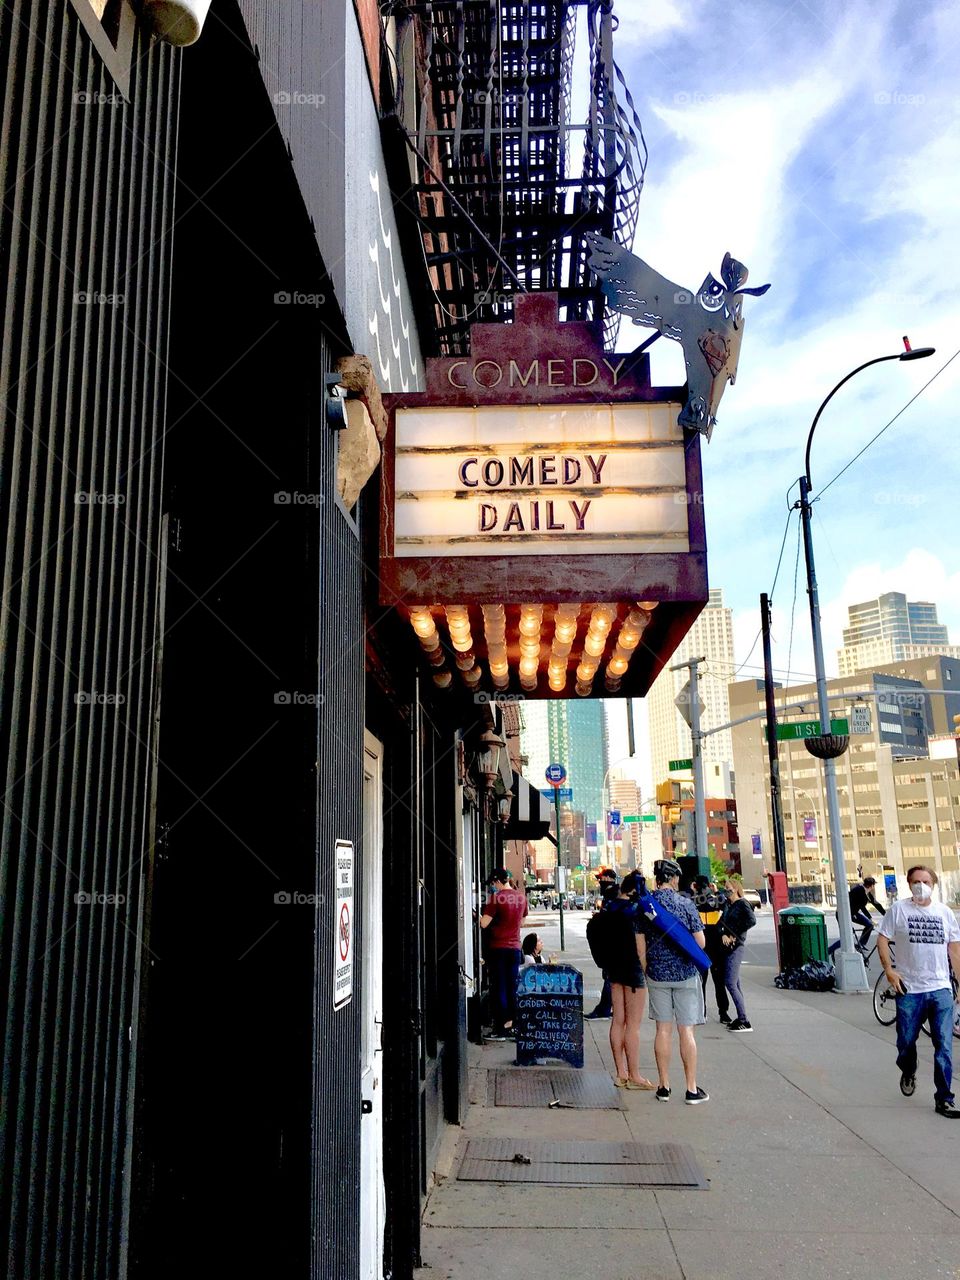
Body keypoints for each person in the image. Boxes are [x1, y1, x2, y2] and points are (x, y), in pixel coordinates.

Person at [877, 865, 960, 1118]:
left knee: (944, 1045)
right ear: (909, 884)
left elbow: (954, 950)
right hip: (909, 989)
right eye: (916, 881)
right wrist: (889, 970)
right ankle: (908, 1069)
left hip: (940, 988)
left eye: (926, 881)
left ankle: (944, 1098)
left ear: (933, 884)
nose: (921, 886)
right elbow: (882, 938)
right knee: (905, 1041)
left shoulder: (945, 913)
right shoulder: (899, 910)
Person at [640, 858, 709, 1104]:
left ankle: (664, 1086)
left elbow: (640, 946)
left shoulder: (645, 905)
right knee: (686, 1030)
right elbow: (700, 943)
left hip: (657, 974)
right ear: (673, 878)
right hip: (685, 975)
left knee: (662, 1030)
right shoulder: (686, 904)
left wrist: (648, 969)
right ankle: (691, 1089)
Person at [604, 871, 656, 1090]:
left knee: (618, 1020)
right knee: (633, 1025)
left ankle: (621, 1073)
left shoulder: (609, 906)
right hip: (633, 968)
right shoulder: (636, 910)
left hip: (614, 967)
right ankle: (635, 1075)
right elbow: (642, 942)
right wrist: (647, 970)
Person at [479, 868, 527, 1041]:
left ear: (497, 881)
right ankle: (512, 1023)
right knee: (511, 986)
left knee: (499, 987)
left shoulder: (496, 898)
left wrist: (477, 916)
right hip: (515, 948)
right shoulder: (521, 897)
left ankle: (501, 1028)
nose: (493, 886)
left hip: (498, 948)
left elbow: (484, 924)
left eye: (493, 883)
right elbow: (522, 922)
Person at [691, 875, 731, 1024]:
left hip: (701, 946)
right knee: (719, 981)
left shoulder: (693, 902)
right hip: (716, 945)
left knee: (701, 981)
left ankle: (702, 1012)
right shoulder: (717, 900)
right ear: (709, 885)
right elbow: (725, 902)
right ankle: (723, 1012)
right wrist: (716, 891)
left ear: (695, 886)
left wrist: (693, 891)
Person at [719, 878, 756, 1032]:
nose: (725, 890)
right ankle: (741, 1016)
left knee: (730, 982)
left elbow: (751, 920)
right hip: (728, 947)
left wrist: (733, 934)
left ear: (735, 888)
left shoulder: (742, 904)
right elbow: (721, 923)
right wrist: (723, 934)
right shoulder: (729, 905)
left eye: (728, 887)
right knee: (735, 983)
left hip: (736, 946)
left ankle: (744, 1020)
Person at [586, 869, 619, 1019]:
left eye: (602, 878)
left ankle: (604, 1008)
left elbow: (612, 917)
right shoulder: (610, 894)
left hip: (612, 942)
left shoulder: (613, 894)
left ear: (610, 878)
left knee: (610, 977)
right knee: (609, 976)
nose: (600, 882)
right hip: (609, 941)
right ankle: (607, 1007)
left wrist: (600, 918)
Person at [828, 876, 886, 958]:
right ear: (872, 885)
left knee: (869, 925)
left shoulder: (867, 892)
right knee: (847, 937)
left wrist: (886, 915)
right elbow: (862, 907)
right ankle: (828, 951)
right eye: (874, 885)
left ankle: (861, 944)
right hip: (843, 914)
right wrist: (870, 918)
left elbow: (876, 904)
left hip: (852, 913)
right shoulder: (859, 890)